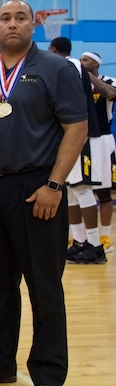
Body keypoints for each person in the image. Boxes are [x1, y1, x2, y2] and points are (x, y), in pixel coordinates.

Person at [0, 0, 87, 386]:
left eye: (20, 18)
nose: (12, 24)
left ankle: (48, 374)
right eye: (5, 18)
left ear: (35, 24)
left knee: (43, 285)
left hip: (38, 189)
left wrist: (54, 184)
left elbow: (77, 128)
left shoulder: (57, 69)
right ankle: (0, 362)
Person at [48, 37, 107, 265]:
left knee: (82, 189)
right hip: (70, 136)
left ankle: (95, 245)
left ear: (54, 50)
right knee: (71, 191)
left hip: (81, 135)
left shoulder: (69, 65)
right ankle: (80, 242)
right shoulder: (70, 65)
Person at [79, 51, 116, 254]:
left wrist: (89, 75)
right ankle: (80, 239)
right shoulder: (80, 83)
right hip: (84, 141)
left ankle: (104, 236)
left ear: (95, 63)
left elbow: (110, 94)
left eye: (86, 60)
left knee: (103, 192)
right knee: (79, 189)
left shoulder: (109, 80)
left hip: (103, 140)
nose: (82, 62)